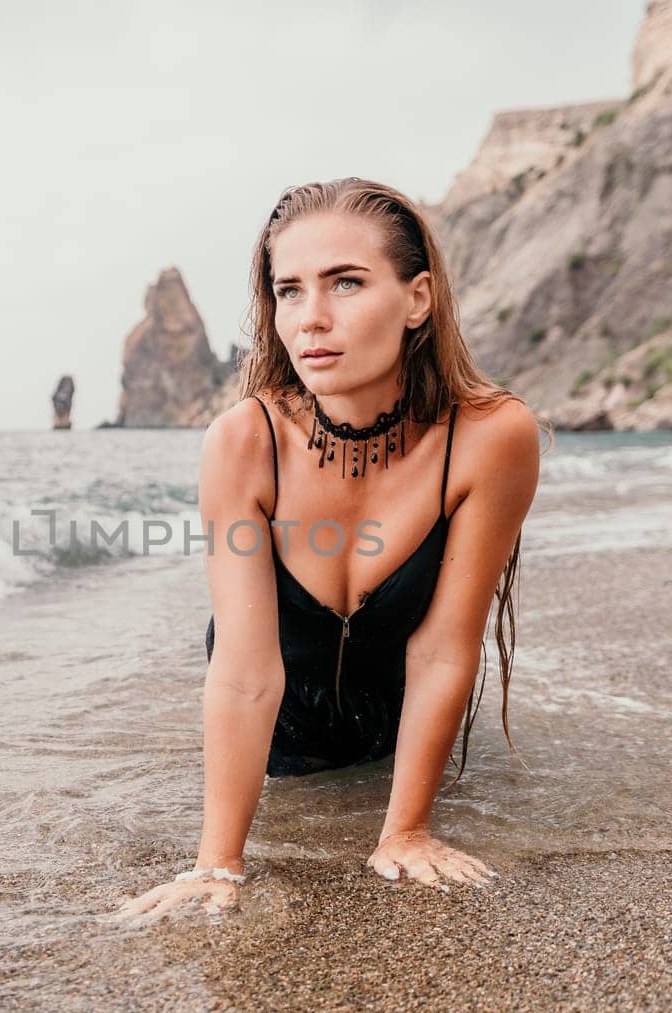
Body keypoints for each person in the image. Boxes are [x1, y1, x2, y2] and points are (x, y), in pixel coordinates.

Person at [115, 177, 546, 922]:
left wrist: (406, 829)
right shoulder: (245, 442)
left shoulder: (491, 437)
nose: (312, 318)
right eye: (289, 290)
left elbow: (446, 649)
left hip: (397, 731)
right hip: (283, 742)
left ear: (418, 299)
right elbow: (246, 672)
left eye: (346, 283)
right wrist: (217, 863)